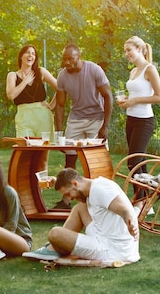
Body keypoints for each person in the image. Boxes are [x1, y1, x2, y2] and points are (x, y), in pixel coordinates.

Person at [22, 168, 140, 264]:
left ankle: (54, 248)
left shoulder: (100, 190)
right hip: (104, 235)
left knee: (55, 233)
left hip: (112, 250)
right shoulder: (94, 186)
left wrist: (130, 221)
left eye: (68, 194)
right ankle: (54, 248)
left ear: (75, 183)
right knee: (80, 207)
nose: (69, 198)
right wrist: (55, 179)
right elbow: (69, 180)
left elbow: (123, 209)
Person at [54, 44, 113, 208]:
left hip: (96, 119)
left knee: (97, 161)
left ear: (79, 55)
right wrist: (59, 132)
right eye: (64, 59)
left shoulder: (94, 70)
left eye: (70, 59)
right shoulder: (62, 76)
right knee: (70, 158)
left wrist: (105, 126)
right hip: (76, 119)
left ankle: (102, 200)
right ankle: (65, 200)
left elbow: (108, 96)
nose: (67, 62)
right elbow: (60, 105)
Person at [118, 36, 160, 211]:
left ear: (140, 49)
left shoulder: (149, 69)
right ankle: (146, 203)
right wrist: (126, 101)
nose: (126, 54)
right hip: (131, 120)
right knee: (141, 162)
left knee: (133, 162)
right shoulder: (133, 72)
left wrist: (135, 100)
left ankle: (139, 201)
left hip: (144, 122)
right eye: (125, 51)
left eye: (129, 50)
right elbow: (134, 96)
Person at [6, 44, 58, 138]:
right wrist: (25, 81)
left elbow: (61, 88)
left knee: (43, 148)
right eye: (27, 53)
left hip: (43, 116)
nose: (30, 55)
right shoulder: (12, 75)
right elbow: (11, 95)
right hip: (24, 117)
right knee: (25, 148)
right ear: (21, 56)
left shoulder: (41, 72)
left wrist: (52, 105)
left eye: (33, 54)